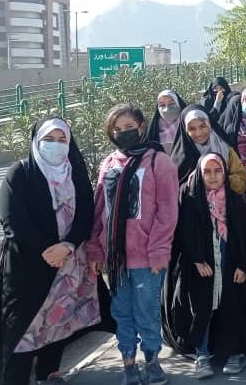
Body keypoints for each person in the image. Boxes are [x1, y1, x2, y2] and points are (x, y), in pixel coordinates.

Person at [0, 118, 107, 385]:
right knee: (22, 330)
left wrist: (68, 246)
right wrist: (48, 251)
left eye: (62, 140)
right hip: (28, 266)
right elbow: (12, 221)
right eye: (49, 139)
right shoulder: (20, 173)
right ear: (36, 141)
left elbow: (86, 213)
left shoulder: (75, 172)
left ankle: (49, 374)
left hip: (69, 264)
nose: (55, 145)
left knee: (58, 320)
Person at [87, 103, 179, 385]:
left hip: (146, 257)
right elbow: (99, 210)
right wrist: (95, 250)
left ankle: (152, 361)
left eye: (128, 127)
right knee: (122, 313)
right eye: (117, 129)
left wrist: (159, 251)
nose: (123, 133)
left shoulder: (158, 161)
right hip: (115, 259)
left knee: (147, 313)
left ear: (141, 127)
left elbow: (167, 211)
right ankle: (128, 363)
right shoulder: (109, 164)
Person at [174, 154, 246, 379]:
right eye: (207, 172)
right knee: (203, 308)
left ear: (225, 173)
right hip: (203, 266)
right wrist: (198, 259)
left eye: (217, 171)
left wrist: (242, 265)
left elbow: (244, 236)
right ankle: (202, 354)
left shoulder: (234, 201)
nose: (212, 176)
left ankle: (235, 352)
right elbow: (186, 233)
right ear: (199, 175)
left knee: (232, 306)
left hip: (230, 262)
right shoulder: (192, 201)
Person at [170, 106, 246, 194]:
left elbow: (241, 181)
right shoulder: (178, 158)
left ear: (209, 124)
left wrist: (221, 179)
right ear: (185, 130)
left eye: (203, 126)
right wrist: (195, 181)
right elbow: (173, 191)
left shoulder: (226, 149)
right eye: (192, 129)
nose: (198, 133)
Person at [145, 89, 188, 154]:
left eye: (171, 104)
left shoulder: (187, 124)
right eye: (162, 105)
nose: (167, 109)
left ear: (179, 104)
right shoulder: (153, 129)